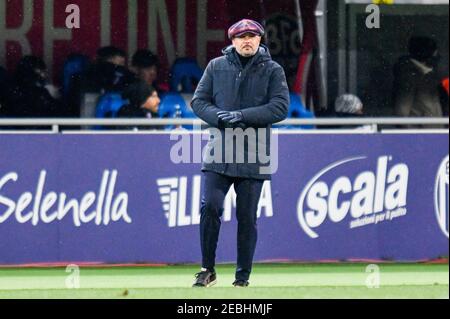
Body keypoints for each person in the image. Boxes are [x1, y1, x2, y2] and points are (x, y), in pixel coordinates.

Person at [190, 19, 289, 288]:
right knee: (209, 207)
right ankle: (207, 269)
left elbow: (280, 107)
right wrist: (220, 119)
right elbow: (198, 101)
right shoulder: (216, 66)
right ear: (232, 41)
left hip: (254, 153)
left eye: (252, 36)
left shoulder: (273, 70)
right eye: (242, 36)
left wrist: (241, 116)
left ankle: (242, 277)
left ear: (260, 40)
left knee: (247, 217)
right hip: (219, 151)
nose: (247, 40)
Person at [393, 37, 445, 127]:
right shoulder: (409, 76)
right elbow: (402, 110)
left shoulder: (428, 75)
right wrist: (411, 135)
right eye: (434, 53)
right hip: (421, 135)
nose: (437, 56)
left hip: (433, 133)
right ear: (426, 53)